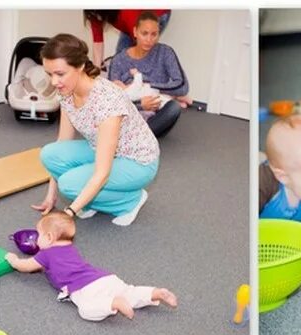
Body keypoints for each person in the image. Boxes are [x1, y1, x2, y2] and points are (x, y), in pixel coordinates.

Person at [36, 33, 159, 226]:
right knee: (49, 154)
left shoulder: (107, 99)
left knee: (68, 185)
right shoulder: (66, 93)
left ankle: (130, 201)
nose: (53, 82)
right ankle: (91, 199)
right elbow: (62, 144)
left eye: (60, 74)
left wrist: (68, 213)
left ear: (80, 66)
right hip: (102, 149)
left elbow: (102, 172)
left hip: (137, 162)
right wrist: (51, 195)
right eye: (49, 74)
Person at [4, 211, 177, 321]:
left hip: (85, 288)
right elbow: (57, 266)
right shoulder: (70, 248)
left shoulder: (45, 254)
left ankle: (113, 303)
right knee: (129, 292)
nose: (36, 239)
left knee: (86, 310)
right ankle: (155, 293)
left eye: (39, 234)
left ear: (49, 237)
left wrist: (13, 259)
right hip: (105, 278)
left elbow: (26, 266)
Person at [108, 11, 190, 138]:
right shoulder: (119, 60)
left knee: (174, 108)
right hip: (130, 113)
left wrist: (148, 85)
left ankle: (138, 136)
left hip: (157, 114)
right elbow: (111, 99)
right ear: (135, 32)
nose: (149, 40)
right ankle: (142, 136)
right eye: (144, 33)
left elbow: (182, 86)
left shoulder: (166, 52)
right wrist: (140, 104)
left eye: (154, 34)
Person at [84, 9, 171, 67]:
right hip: (131, 20)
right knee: (120, 59)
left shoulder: (127, 12)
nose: (97, 18)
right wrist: (96, 71)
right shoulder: (94, 12)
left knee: (132, 61)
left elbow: (141, 45)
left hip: (158, 12)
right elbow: (97, 41)